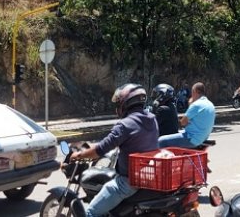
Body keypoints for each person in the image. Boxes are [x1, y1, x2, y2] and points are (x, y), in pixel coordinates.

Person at [71, 83, 159, 217]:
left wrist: (79, 154)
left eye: (118, 104)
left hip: (128, 183)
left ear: (125, 104)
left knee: (90, 212)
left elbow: (100, 149)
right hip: (149, 176)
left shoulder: (124, 125)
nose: (117, 108)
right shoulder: (152, 120)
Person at [159, 82, 215, 148]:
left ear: (195, 91)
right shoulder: (210, 104)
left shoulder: (196, 104)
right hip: (203, 136)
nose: (191, 95)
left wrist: (190, 104)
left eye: (192, 92)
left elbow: (183, 122)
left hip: (192, 138)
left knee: (161, 140)